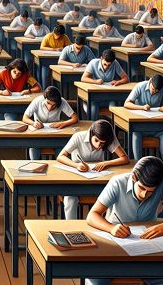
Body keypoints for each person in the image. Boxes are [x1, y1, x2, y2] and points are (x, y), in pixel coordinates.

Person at [85, 156, 163, 285]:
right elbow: (92, 215)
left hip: (148, 248)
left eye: (150, 192)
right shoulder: (117, 182)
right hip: (116, 244)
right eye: (142, 188)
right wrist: (111, 228)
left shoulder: (160, 184)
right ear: (134, 177)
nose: (144, 195)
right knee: (96, 279)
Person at [57, 120, 129, 219]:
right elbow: (60, 156)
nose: (99, 146)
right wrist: (76, 165)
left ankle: (107, 227)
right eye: (96, 141)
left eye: (102, 144)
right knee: (70, 199)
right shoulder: (78, 137)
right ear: (91, 133)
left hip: (98, 179)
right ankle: (71, 229)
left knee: (114, 196)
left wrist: (106, 162)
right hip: (77, 180)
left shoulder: (108, 137)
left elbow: (125, 158)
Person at [22, 86, 78, 159]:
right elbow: (25, 118)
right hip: (38, 134)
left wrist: (63, 123)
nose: (50, 107)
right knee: (33, 148)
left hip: (55, 135)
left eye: (54, 105)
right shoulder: (37, 100)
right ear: (44, 98)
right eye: (48, 103)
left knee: (61, 152)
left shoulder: (62, 101)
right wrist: (34, 123)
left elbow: (75, 118)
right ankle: (34, 165)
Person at [81, 49, 129, 120]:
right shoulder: (93, 63)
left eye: (109, 65)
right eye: (105, 64)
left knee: (115, 106)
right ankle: (92, 128)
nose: (106, 67)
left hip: (109, 97)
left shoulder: (115, 63)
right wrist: (96, 81)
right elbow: (83, 78)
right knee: (94, 107)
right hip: (95, 97)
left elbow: (126, 78)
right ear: (101, 58)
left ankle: (114, 129)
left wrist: (118, 82)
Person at [124, 75, 163, 160]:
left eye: (157, 91)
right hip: (139, 125)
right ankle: (138, 164)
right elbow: (126, 104)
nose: (154, 92)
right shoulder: (140, 86)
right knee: (135, 135)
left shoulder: (161, 89)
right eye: (153, 89)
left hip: (155, 126)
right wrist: (141, 107)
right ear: (150, 81)